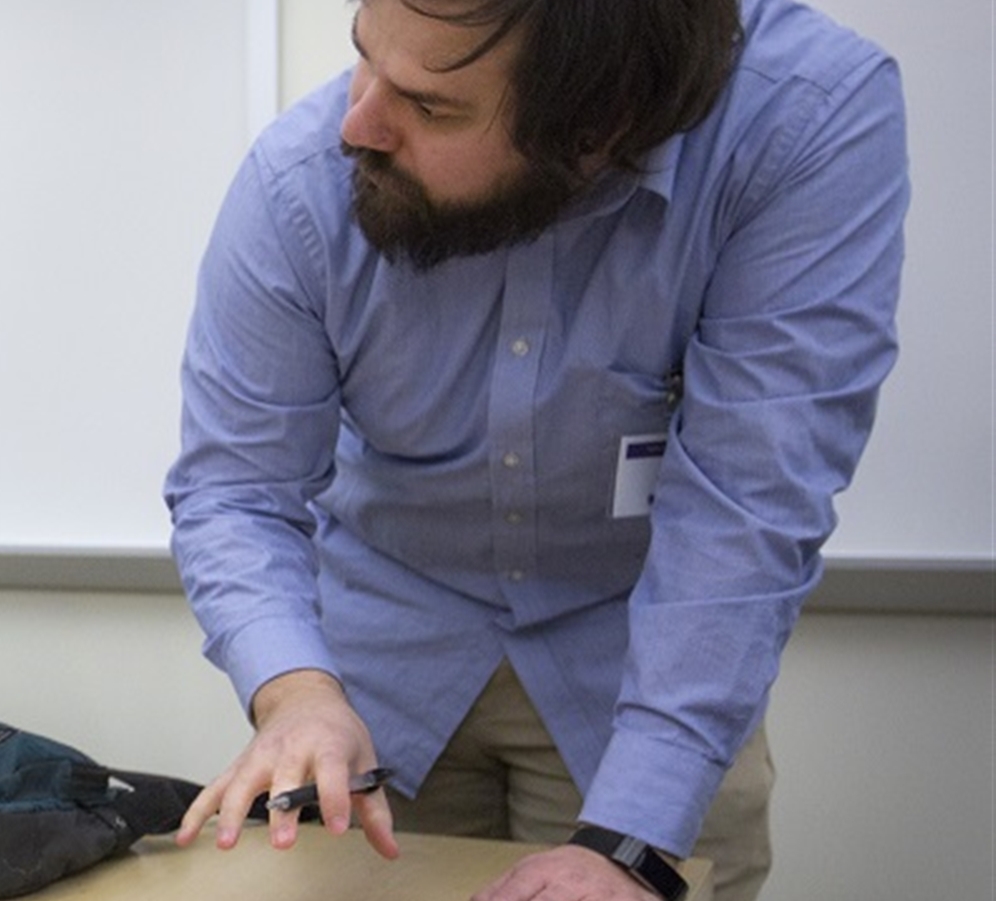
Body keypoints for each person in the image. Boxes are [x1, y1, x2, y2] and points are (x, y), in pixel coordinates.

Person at [164, 0, 905, 899]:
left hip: (650, 672)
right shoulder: (300, 178)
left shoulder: (804, 119)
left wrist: (632, 840)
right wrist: (295, 694)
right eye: (363, 57)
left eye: (433, 107)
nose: (358, 123)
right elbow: (237, 488)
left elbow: (751, 503)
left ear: (599, 129)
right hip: (379, 671)